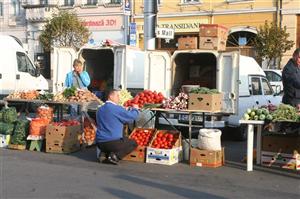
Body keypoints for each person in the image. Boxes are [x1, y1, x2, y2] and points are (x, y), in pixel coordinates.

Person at [96, 89, 139, 165]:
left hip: (99, 142)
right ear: (110, 96)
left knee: (121, 138)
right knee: (133, 143)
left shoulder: (100, 109)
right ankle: (115, 157)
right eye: (117, 95)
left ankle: (103, 153)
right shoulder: (116, 108)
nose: (119, 97)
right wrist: (135, 109)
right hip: (112, 142)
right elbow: (131, 117)